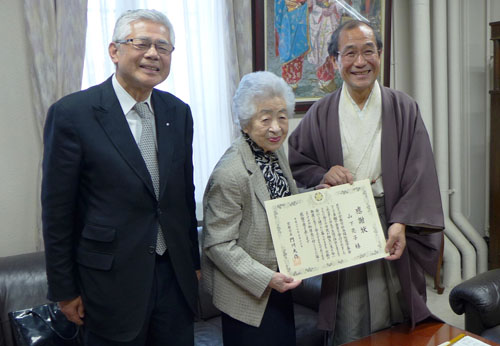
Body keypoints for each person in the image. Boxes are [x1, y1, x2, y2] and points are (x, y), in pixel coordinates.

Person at [41, 9, 199, 346]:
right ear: (115, 51)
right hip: (108, 284)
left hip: (173, 277)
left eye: (163, 47)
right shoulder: (73, 114)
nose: (153, 54)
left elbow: (184, 195)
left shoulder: (178, 112)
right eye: (141, 43)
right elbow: (57, 211)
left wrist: (193, 264)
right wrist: (64, 290)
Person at [288, 20, 444, 345]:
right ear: (335, 61)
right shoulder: (321, 112)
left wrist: (401, 222)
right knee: (351, 316)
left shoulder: (403, 108)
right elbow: (300, 162)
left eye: (368, 51)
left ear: (380, 54)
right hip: (345, 228)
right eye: (350, 53)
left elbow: (420, 171)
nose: (360, 62)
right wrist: (322, 175)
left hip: (392, 219)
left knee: (399, 312)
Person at [201, 71, 303, 346]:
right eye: (265, 117)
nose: (276, 127)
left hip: (280, 284)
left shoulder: (275, 151)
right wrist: (268, 278)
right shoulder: (230, 173)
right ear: (246, 123)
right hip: (248, 292)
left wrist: (319, 198)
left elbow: (283, 203)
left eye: (282, 116)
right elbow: (218, 244)